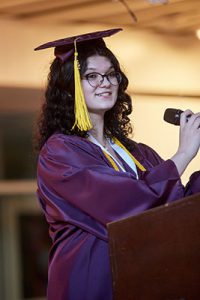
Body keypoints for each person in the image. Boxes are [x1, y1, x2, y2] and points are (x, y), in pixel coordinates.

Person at [35, 28, 200, 300]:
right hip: (92, 282)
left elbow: (176, 209)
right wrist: (183, 154)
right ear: (70, 87)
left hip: (141, 277)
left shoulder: (137, 153)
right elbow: (126, 204)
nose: (106, 82)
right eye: (92, 76)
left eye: (111, 74)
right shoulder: (59, 153)